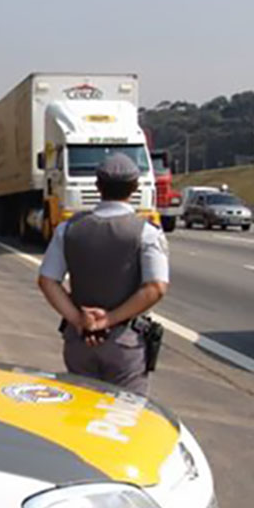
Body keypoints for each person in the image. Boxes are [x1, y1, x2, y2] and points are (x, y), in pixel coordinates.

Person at [37, 153, 169, 394]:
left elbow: (47, 281)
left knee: (80, 412)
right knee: (125, 417)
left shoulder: (68, 229)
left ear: (97, 186)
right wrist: (108, 320)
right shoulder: (147, 233)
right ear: (135, 187)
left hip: (79, 340)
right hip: (125, 342)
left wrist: (79, 320)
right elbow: (155, 288)